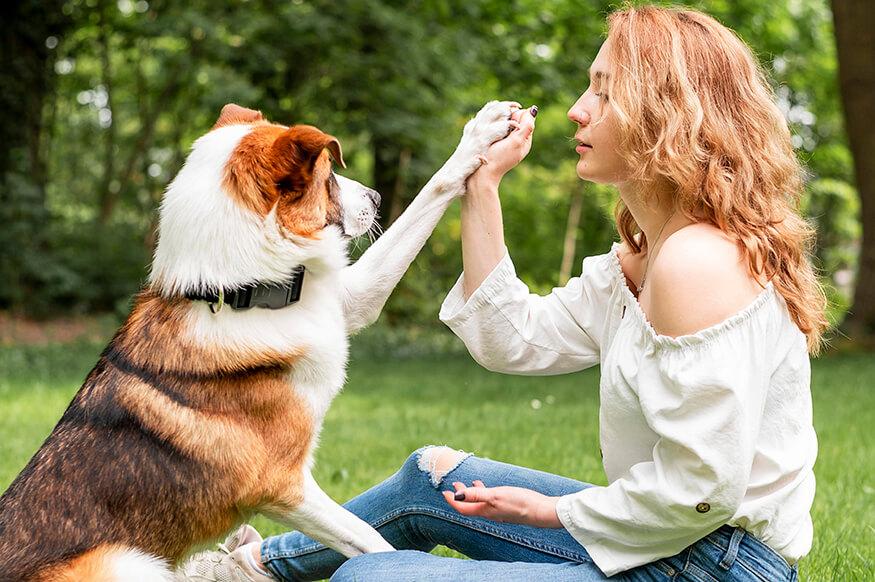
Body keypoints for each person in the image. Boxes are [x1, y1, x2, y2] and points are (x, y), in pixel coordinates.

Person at [178, 5, 827, 581]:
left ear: (670, 115)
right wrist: (480, 186)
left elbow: (702, 490)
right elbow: (511, 340)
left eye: (604, 93)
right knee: (425, 480)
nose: (576, 108)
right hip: (666, 543)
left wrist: (551, 511)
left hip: (715, 566)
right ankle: (246, 569)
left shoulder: (696, 264)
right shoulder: (640, 259)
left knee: (373, 579)